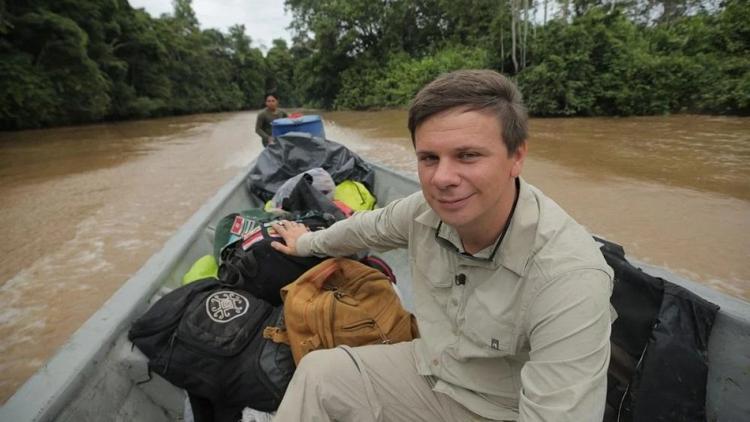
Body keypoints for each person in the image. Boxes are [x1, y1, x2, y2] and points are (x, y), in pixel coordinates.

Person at [270, 70, 615, 421]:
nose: (442, 179)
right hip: (433, 370)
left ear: (516, 157)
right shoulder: (422, 212)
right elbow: (363, 230)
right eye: (429, 158)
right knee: (319, 375)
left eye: (467, 156)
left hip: (503, 408)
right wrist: (305, 244)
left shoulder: (569, 275)